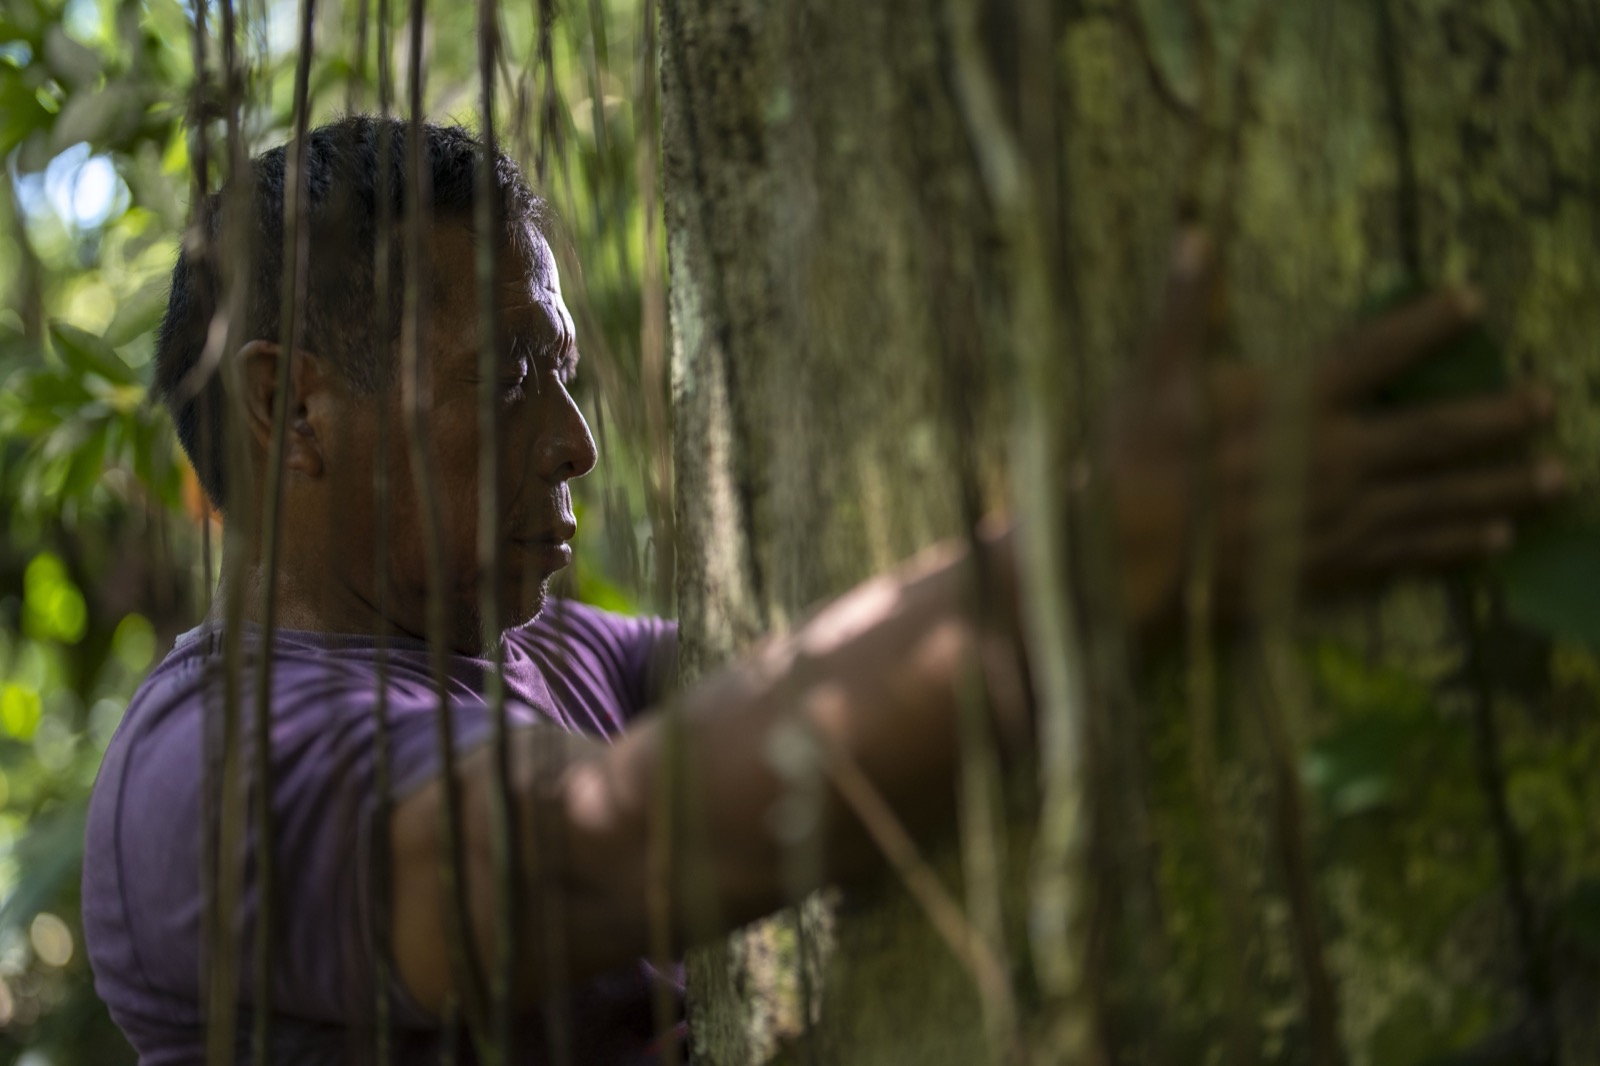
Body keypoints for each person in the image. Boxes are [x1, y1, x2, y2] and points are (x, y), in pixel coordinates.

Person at [82, 116, 1565, 1064]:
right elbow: (574, 858)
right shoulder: (201, 770)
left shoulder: (566, 658)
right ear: (289, 411)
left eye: (570, 376)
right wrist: (1103, 556)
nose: (576, 440)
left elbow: (797, 680)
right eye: (511, 378)